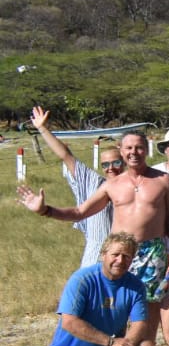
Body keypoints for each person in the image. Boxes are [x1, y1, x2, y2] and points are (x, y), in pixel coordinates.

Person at [21, 130, 169, 322]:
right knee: (113, 306)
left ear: (146, 150)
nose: (134, 152)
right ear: (121, 151)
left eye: (139, 147)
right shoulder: (111, 185)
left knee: (148, 312)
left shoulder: (163, 180)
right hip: (120, 252)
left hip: (152, 253)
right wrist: (46, 210)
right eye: (129, 148)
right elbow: (80, 212)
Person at [38, 233, 154, 346]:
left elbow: (140, 324)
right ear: (103, 255)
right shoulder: (82, 279)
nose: (120, 260)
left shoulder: (135, 286)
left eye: (126, 256)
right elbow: (69, 322)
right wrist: (110, 342)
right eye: (115, 254)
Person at [26, 104, 118, 268]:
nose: (111, 168)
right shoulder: (93, 182)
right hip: (95, 259)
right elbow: (65, 155)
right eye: (105, 165)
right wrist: (42, 129)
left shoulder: (136, 186)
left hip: (125, 261)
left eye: (116, 162)